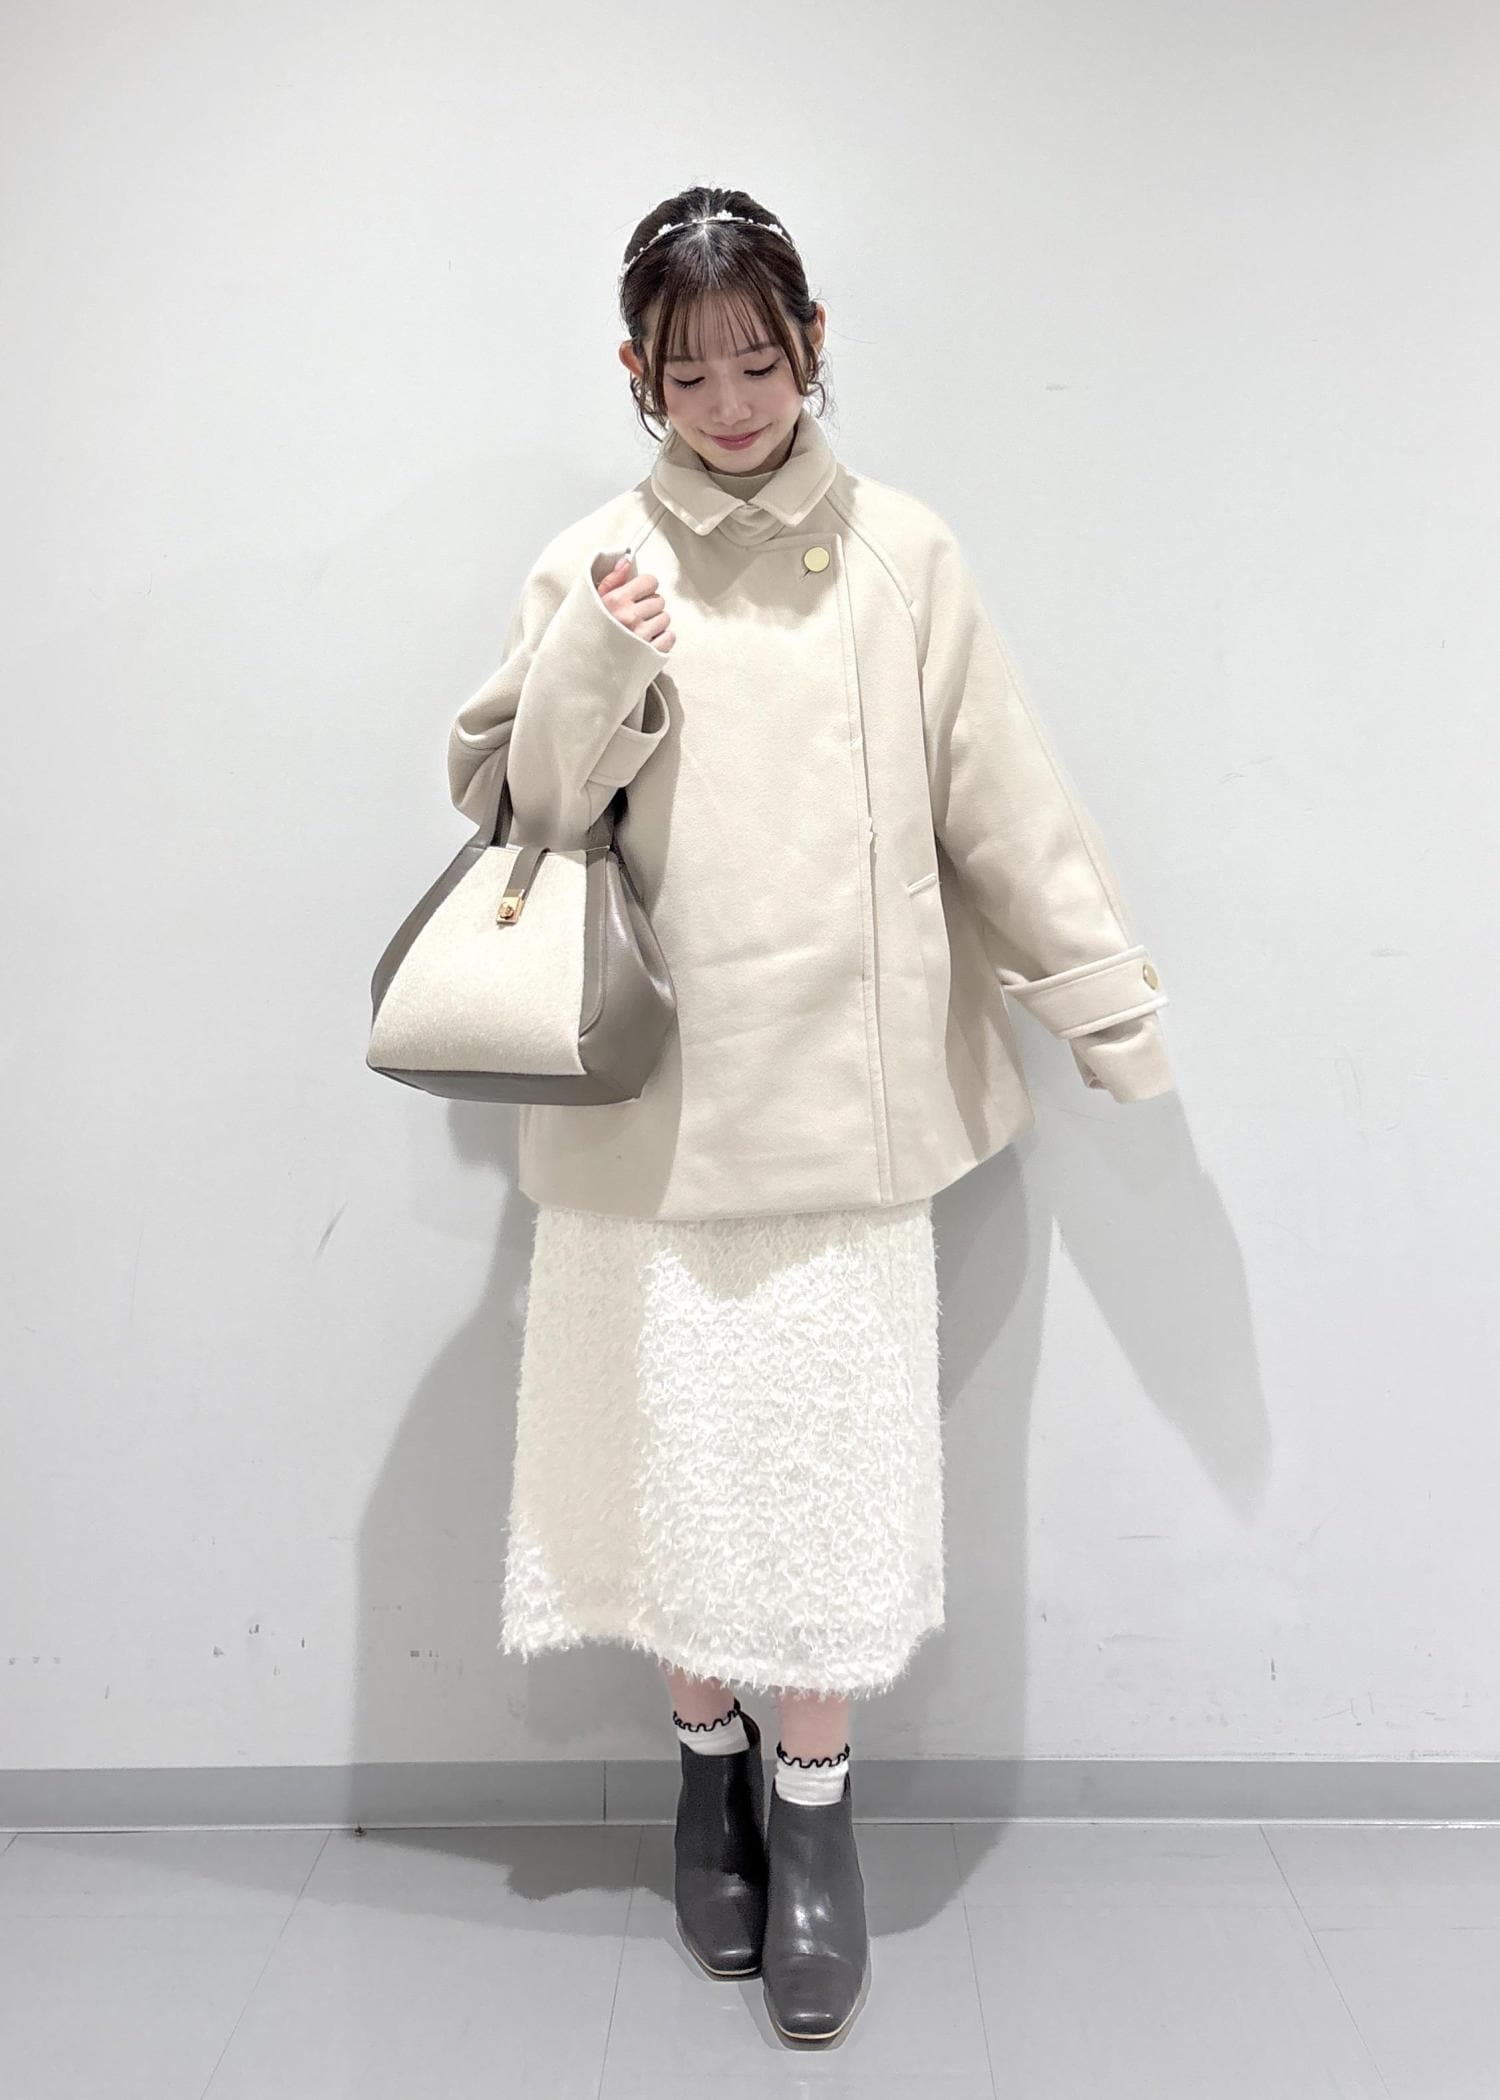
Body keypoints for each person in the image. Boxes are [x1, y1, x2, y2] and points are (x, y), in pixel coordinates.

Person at [445, 184, 1176, 2046]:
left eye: (759, 363)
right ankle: (708, 1785)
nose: (730, 404)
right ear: (636, 373)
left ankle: (816, 1817)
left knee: (829, 1497)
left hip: (850, 1123)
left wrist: (1103, 1004)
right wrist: (599, 657)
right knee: (678, 1479)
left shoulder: (904, 556)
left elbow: (1004, 801)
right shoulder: (593, 559)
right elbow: (523, 822)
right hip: (654, 1123)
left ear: (813, 343)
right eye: (689, 374)